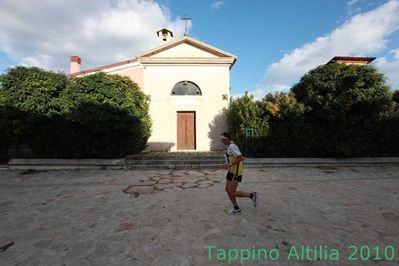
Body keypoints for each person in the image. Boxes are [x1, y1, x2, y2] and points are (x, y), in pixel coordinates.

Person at [221, 132, 258, 215]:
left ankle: (252, 195)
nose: (221, 141)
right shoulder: (229, 146)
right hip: (231, 171)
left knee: (232, 192)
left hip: (235, 172)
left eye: (223, 139)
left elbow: (241, 157)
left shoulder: (232, 146)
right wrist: (227, 163)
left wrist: (230, 164)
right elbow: (232, 157)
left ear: (227, 139)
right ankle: (236, 208)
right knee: (227, 190)